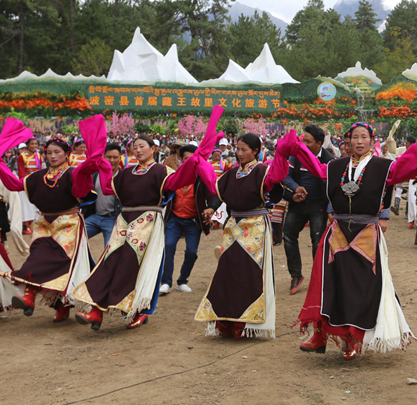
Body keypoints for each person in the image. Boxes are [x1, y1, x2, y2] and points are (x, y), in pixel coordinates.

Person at [291, 122, 417, 360]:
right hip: (338, 230)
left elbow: (410, 166)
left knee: (361, 286)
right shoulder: (336, 166)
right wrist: (291, 148)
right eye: (354, 137)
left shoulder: (384, 167)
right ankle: (320, 334)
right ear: (348, 141)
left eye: (364, 137)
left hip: (366, 230)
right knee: (328, 280)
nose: (358, 141)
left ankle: (354, 337)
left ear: (371, 141)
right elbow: (316, 170)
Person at [73, 108, 223, 331]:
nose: (138, 149)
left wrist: (194, 162)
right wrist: (99, 163)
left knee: (137, 267)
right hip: (124, 222)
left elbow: (179, 181)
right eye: (135, 147)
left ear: (153, 148)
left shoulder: (162, 171)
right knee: (110, 262)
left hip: (149, 222)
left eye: (142, 146)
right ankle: (97, 309)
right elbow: (106, 187)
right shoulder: (125, 173)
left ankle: (139, 310)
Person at [0, 116, 105, 323]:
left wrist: (92, 155)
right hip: (44, 224)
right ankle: (33, 298)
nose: (52, 156)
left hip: (69, 224)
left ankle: (57, 304)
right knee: (37, 258)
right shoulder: (39, 176)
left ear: (67, 154)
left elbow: (85, 177)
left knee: (62, 266)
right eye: (49, 153)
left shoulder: (74, 173)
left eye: (57, 152)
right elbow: (14, 185)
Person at [195, 131, 292, 338]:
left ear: (255, 151)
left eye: (243, 150)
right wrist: (212, 208)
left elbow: (277, 184)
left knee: (249, 272)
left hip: (255, 225)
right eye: (237, 149)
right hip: (233, 226)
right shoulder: (231, 174)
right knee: (227, 271)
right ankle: (225, 320)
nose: (238, 153)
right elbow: (219, 193)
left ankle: (245, 323)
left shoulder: (263, 172)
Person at [160, 144, 221, 295]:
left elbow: (215, 195)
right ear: (180, 159)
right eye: (186, 159)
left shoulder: (202, 178)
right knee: (168, 246)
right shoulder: (172, 177)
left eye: (193, 159)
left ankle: (182, 281)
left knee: (192, 252)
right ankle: (166, 282)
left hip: (193, 221)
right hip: (174, 219)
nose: (189, 162)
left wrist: (211, 209)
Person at [282, 124, 334, 295]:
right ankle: (296, 275)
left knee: (318, 243)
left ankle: (318, 279)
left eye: (308, 142)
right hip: (297, 204)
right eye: (303, 140)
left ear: (319, 144)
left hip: (318, 206)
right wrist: (296, 188)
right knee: (288, 236)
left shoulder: (329, 160)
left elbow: (332, 187)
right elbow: (286, 176)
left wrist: (329, 209)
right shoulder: (296, 156)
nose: (303, 144)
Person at [83, 144, 123, 247]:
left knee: (109, 250)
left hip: (112, 219)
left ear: (120, 158)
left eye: (115, 157)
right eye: (109, 157)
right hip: (94, 217)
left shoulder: (124, 177)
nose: (112, 160)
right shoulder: (95, 175)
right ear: (103, 157)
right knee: (75, 238)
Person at [16, 137, 41, 234]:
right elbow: (21, 173)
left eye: (36, 144)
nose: (34, 146)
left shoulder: (38, 155)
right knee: (25, 206)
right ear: (27, 145)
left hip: (36, 184)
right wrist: (28, 183)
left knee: (34, 206)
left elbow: (39, 171)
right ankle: (24, 226)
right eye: (32, 144)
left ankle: (30, 224)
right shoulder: (22, 156)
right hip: (25, 184)